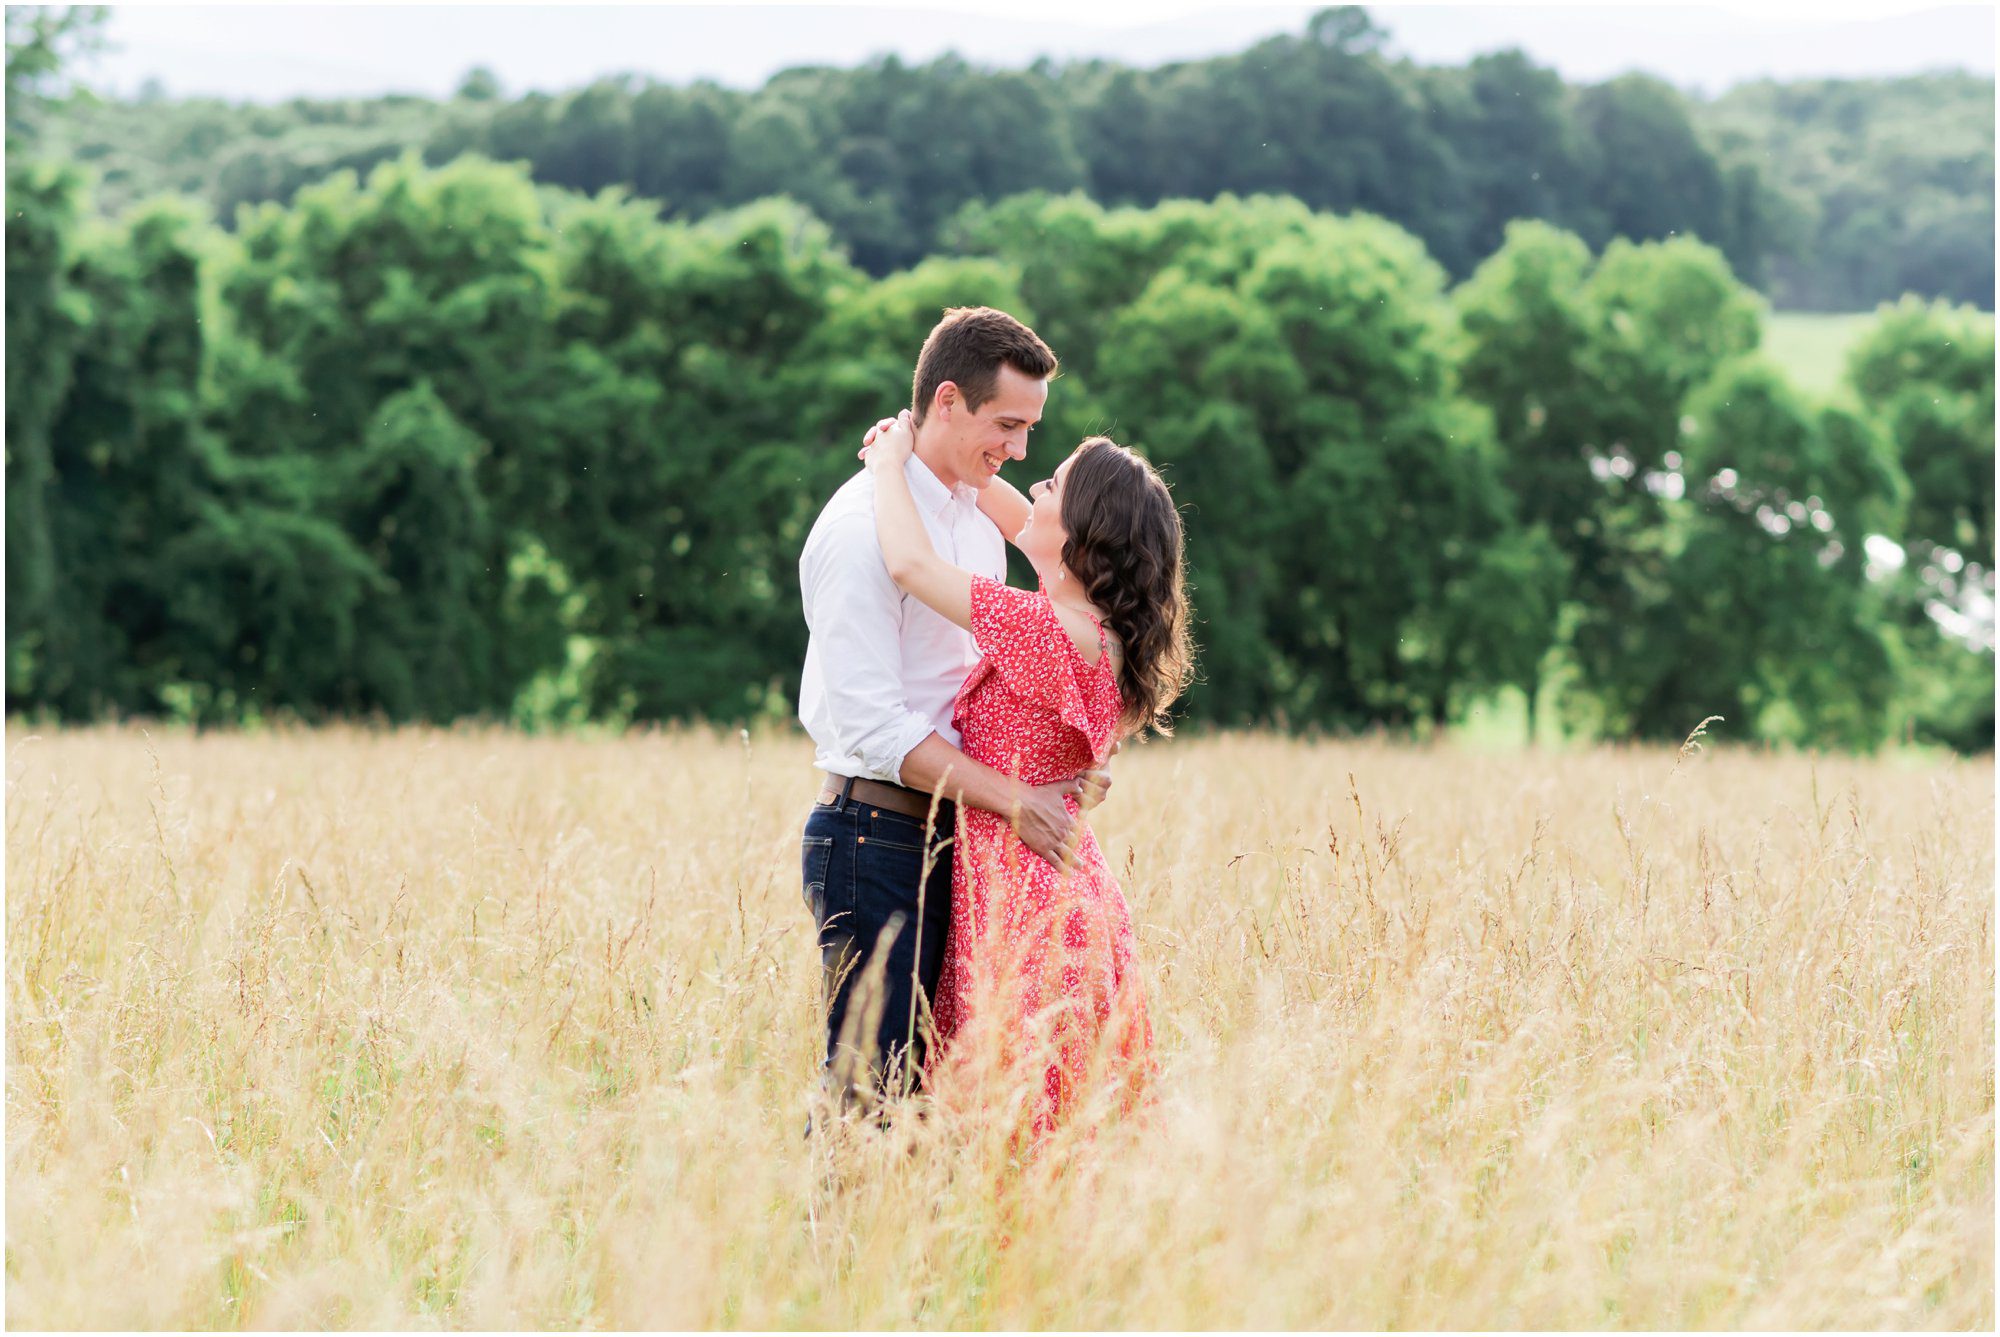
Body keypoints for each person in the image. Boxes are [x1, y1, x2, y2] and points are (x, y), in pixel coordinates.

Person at [796, 307, 1112, 1119]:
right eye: (1007, 423)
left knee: (939, 1100)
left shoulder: (969, 516)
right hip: (877, 837)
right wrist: (1018, 798)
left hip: (959, 844)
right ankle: (832, 1246)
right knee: (870, 1092)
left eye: (1032, 427)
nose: (1020, 447)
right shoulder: (864, 528)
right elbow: (872, 728)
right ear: (946, 400)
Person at [858, 407, 1192, 1140]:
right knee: (1052, 1135)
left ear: (1078, 536)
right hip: (1055, 895)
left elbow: (911, 565)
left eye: (1050, 485)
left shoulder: (1045, 629)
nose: (1030, 487)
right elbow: (1008, 512)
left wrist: (888, 464)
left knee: (1016, 1133)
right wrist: (960, 460)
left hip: (1030, 909)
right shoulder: (1095, 631)